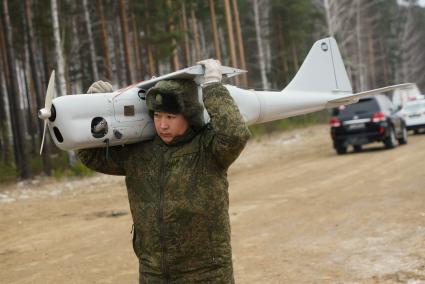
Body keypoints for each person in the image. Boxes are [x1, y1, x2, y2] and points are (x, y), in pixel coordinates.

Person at [78, 59, 251, 283]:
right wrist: (93, 105)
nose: (162, 125)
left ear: (189, 115)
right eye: (157, 116)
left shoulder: (209, 149)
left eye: (170, 117)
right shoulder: (139, 153)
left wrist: (212, 86)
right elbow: (90, 155)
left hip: (206, 273)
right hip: (153, 273)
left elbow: (235, 134)